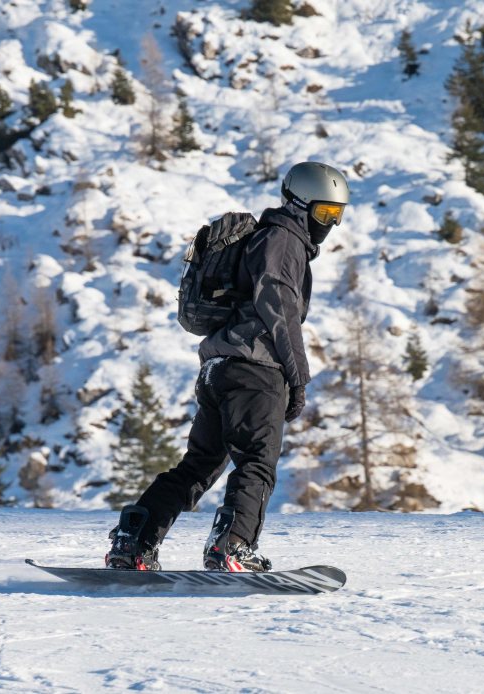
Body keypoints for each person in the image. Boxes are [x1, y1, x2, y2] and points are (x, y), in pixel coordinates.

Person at [105, 162, 350, 572]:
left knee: (198, 466)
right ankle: (232, 546)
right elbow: (281, 311)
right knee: (257, 461)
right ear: (302, 204)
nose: (330, 225)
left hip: (219, 368)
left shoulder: (262, 238)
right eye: (325, 214)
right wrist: (298, 380)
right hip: (256, 371)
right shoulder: (283, 240)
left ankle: (134, 541)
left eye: (337, 216)